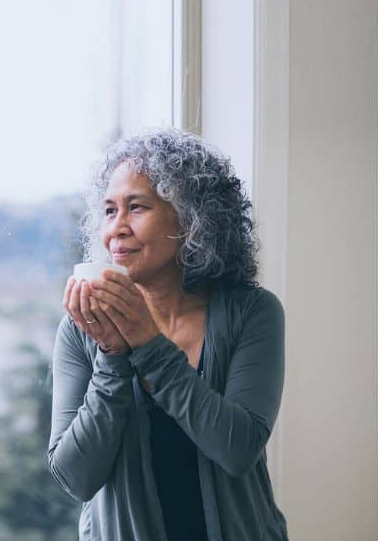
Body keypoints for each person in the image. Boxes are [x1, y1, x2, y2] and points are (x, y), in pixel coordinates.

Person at [47, 128, 289, 541]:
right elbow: (75, 476)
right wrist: (111, 353)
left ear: (193, 218)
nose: (117, 228)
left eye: (136, 207)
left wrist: (147, 344)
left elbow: (237, 448)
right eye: (109, 211)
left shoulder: (252, 312)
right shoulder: (81, 330)